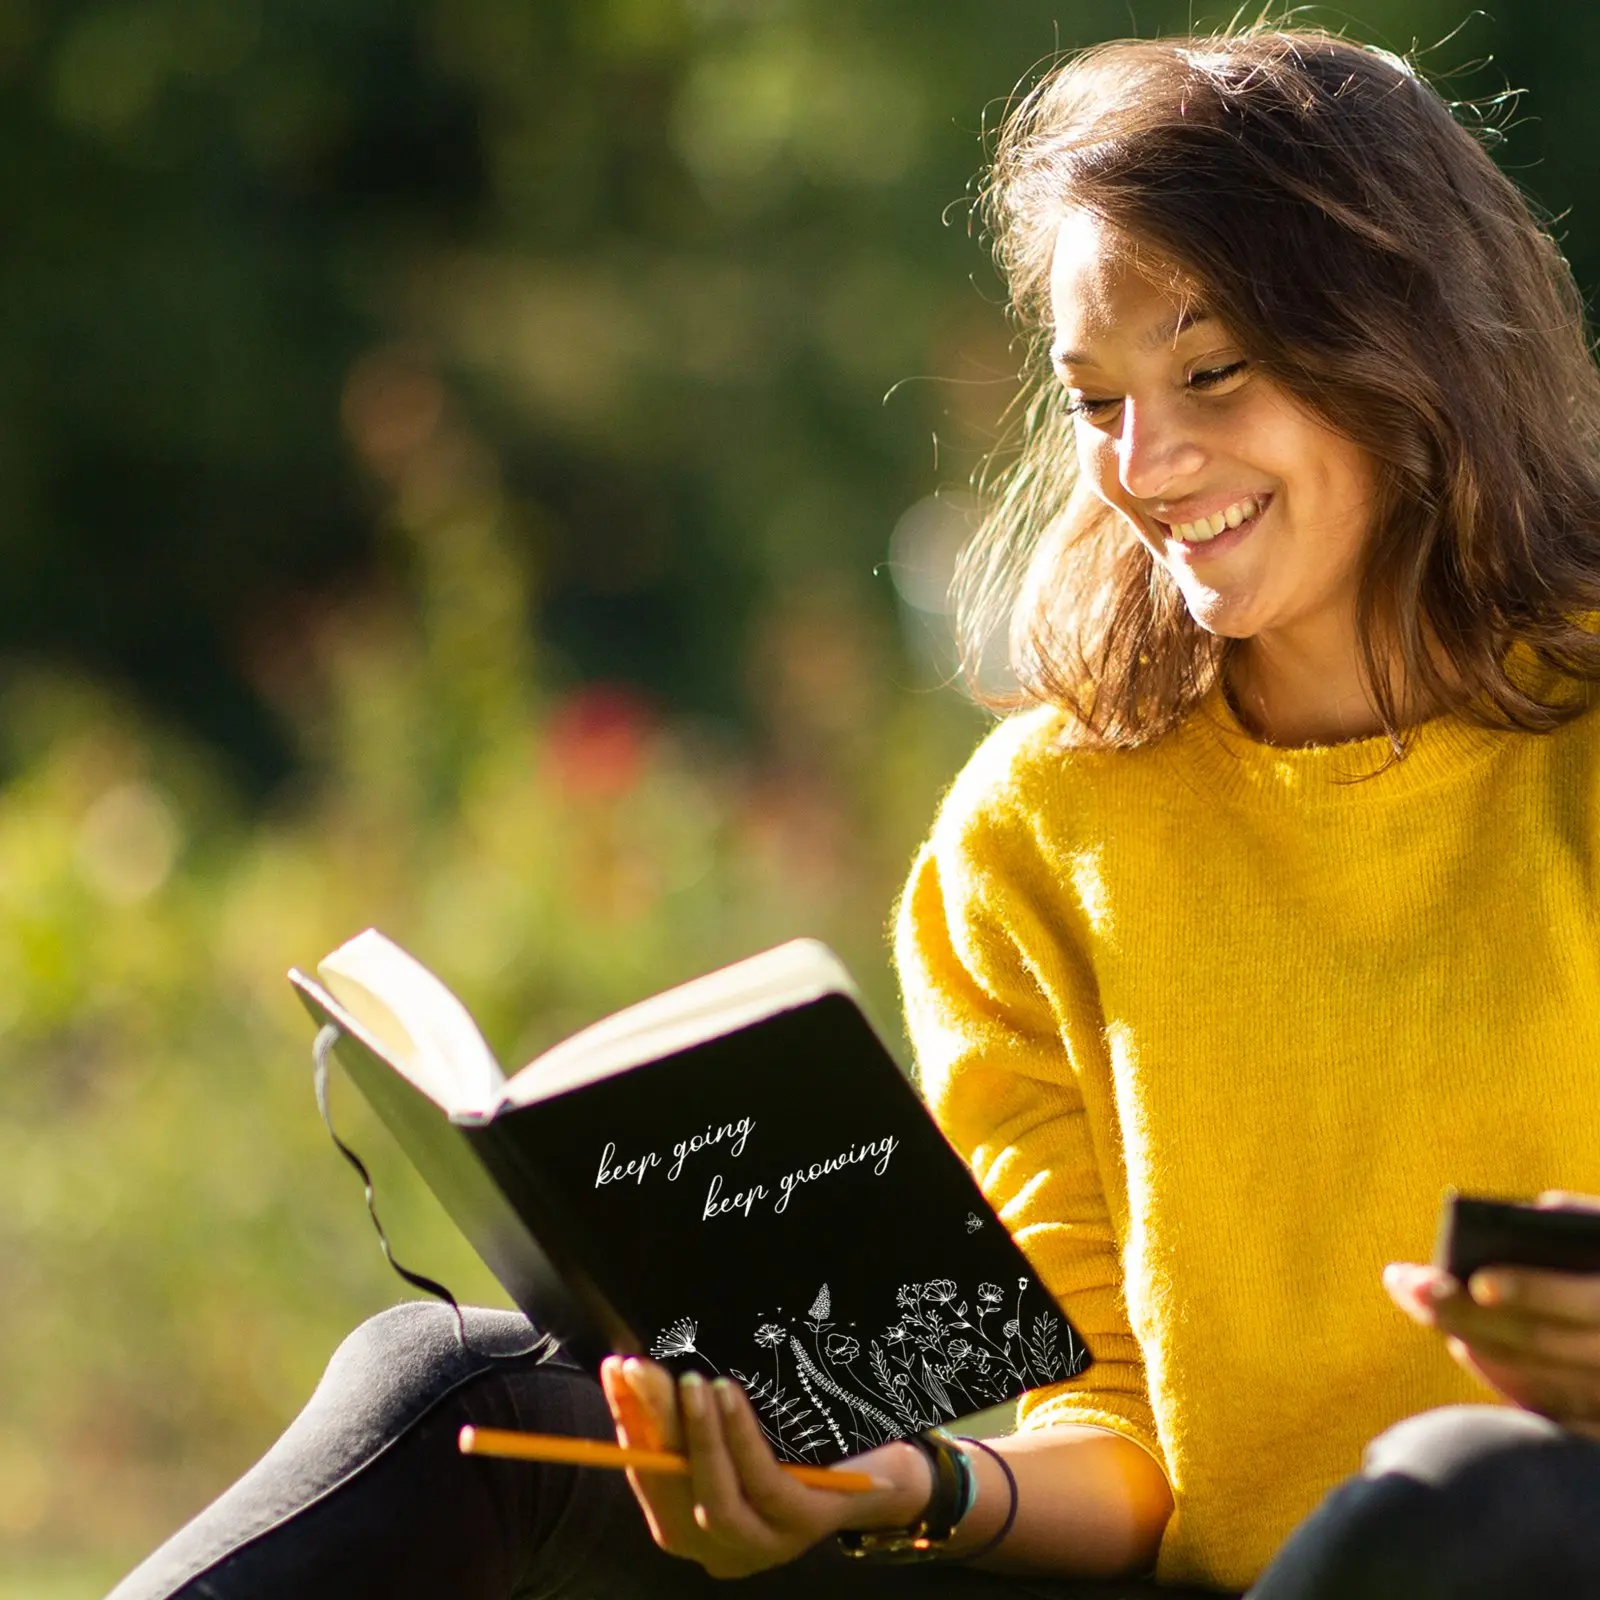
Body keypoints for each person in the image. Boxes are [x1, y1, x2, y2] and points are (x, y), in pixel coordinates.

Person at [110, 24, 1600, 1600]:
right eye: (1096, 400)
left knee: (1481, 1492)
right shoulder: (1042, 831)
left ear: (1405, 337)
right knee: (460, 1387)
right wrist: (892, 1485)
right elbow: (1117, 1439)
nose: (1147, 462)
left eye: (1212, 370)